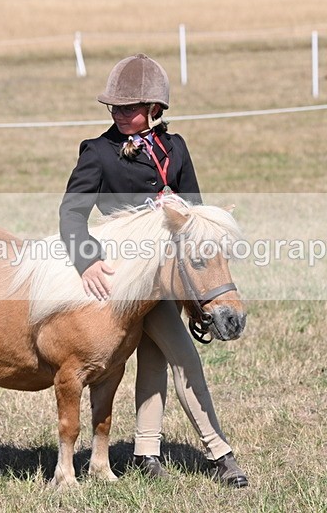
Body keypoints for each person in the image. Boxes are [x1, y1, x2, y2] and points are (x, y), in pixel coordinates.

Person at [59, 53, 249, 488]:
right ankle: (219, 453)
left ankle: (147, 452)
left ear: (154, 109)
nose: (119, 114)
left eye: (130, 108)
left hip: (166, 282)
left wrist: (194, 300)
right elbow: (71, 214)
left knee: (158, 361)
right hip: (123, 282)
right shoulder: (98, 152)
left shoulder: (176, 148)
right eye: (115, 107)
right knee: (181, 359)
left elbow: (194, 220)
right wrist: (87, 260)